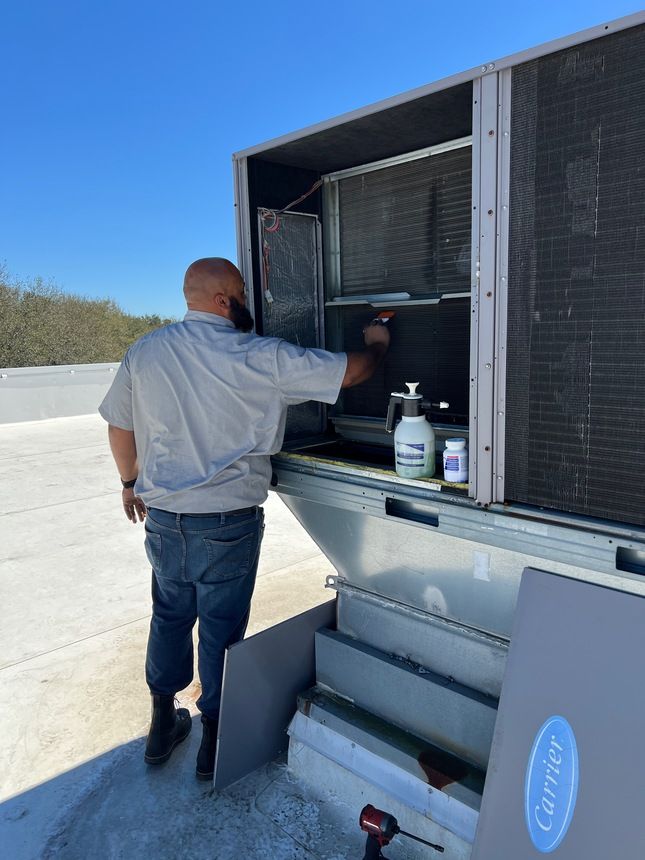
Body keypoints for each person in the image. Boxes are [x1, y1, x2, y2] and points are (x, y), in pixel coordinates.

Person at [99, 257, 390, 780]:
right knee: (221, 632)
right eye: (239, 296)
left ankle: (162, 725)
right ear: (221, 301)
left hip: (164, 519)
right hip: (227, 524)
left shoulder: (145, 352)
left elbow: (120, 427)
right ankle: (215, 737)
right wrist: (378, 342)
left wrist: (128, 483)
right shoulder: (260, 356)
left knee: (169, 616)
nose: (246, 306)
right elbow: (353, 372)